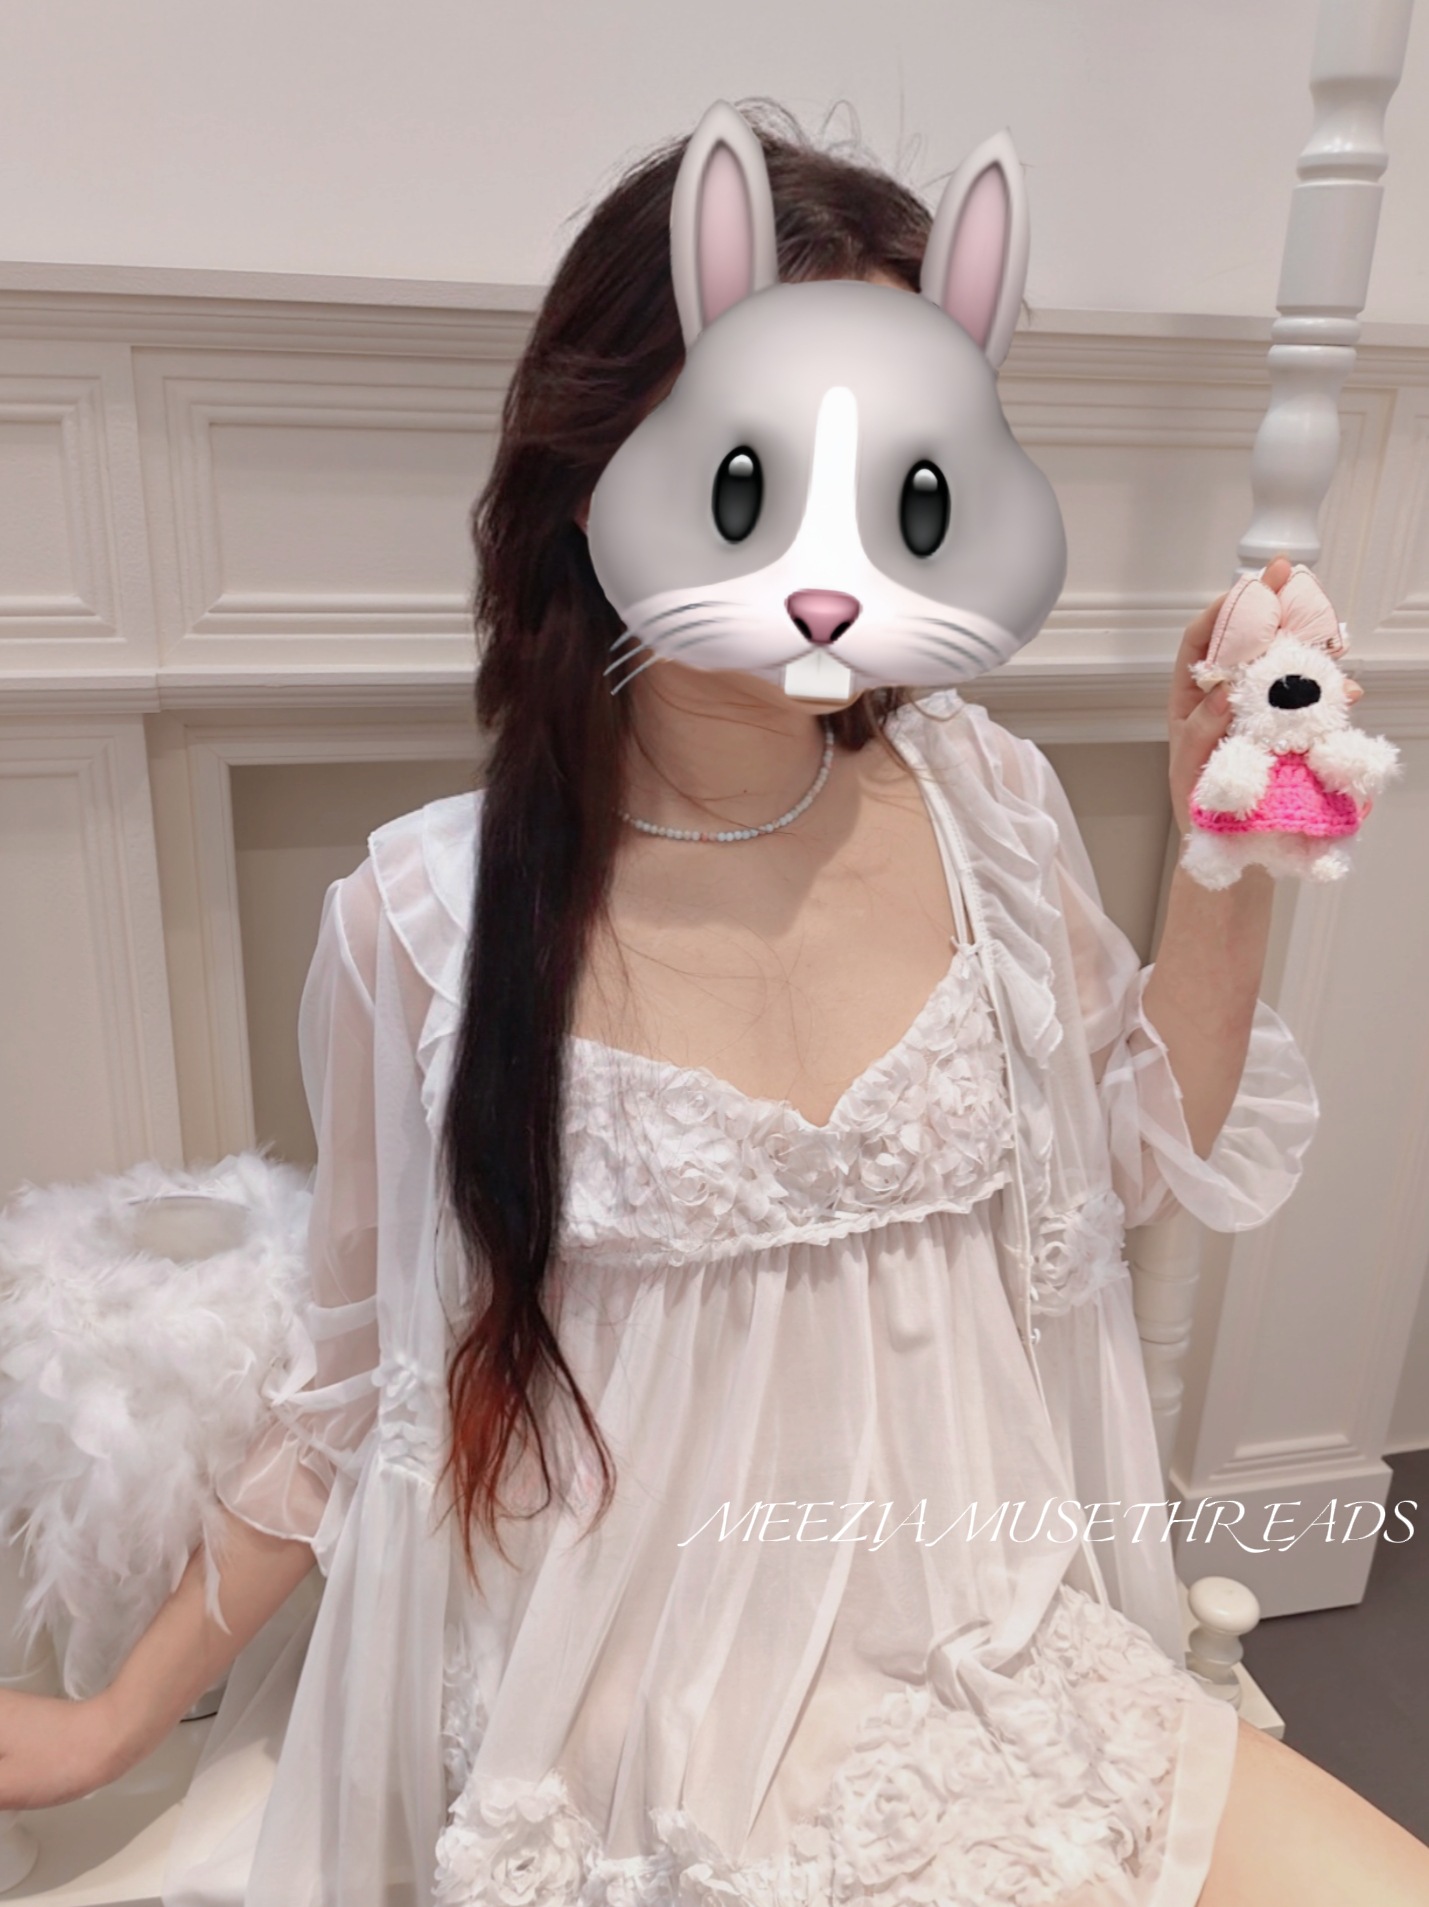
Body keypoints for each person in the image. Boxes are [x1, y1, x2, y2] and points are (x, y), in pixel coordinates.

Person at [3, 106, 1428, 1907]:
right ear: (601, 465)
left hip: (994, 1651)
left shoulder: (985, 804)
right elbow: (357, 1393)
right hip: (638, 1730)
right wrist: (110, 1725)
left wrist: (1224, 851)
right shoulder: (426, 922)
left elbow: (1140, 1151)